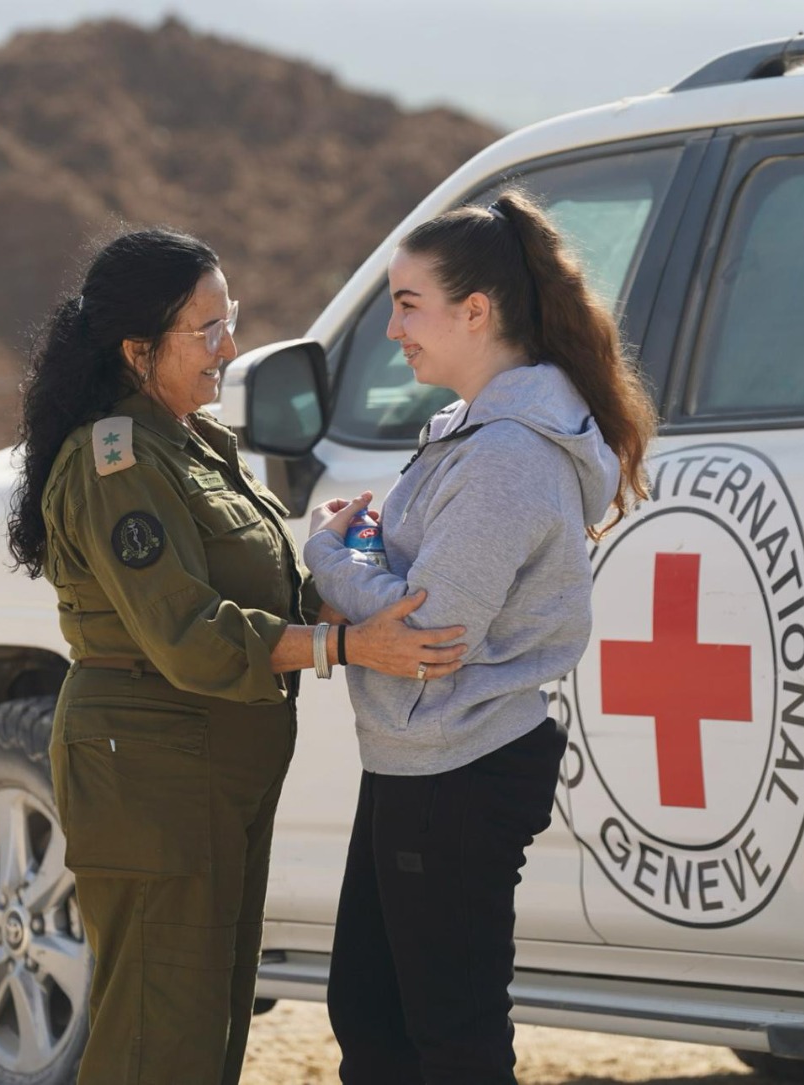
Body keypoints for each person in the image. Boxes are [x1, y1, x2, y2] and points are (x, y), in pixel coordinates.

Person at [7, 227, 470, 1084]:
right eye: (206, 330)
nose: (229, 348)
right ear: (136, 348)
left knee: (206, 1028)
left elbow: (257, 593)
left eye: (232, 322)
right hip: (153, 777)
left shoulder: (193, 443)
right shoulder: (118, 460)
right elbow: (189, 634)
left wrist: (327, 565)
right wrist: (343, 644)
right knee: (155, 1039)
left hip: (212, 773)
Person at [302, 190, 657, 1084]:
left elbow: (426, 631)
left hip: (455, 764)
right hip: (420, 758)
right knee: (374, 1020)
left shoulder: (507, 457)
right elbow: (418, 576)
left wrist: (324, 553)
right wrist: (368, 546)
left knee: (447, 1042)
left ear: (476, 310)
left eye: (407, 304)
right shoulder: (474, 434)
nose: (392, 329)